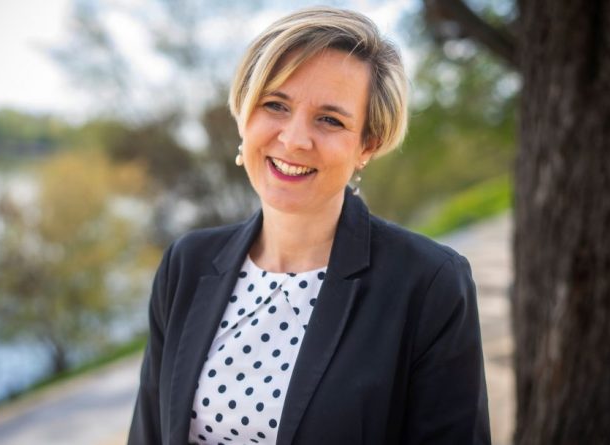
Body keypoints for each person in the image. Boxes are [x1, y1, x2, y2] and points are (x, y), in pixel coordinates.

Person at [128, 6, 491, 445]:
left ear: (367, 145)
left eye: (330, 119)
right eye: (275, 105)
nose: (295, 139)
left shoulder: (429, 283)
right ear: (243, 112)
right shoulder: (186, 264)